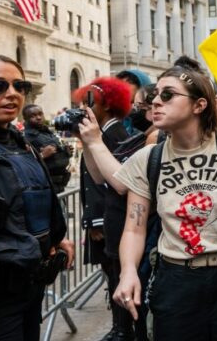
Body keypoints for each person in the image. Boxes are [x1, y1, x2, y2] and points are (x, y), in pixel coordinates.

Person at [113, 65, 217, 340]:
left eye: (168, 95)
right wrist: (128, 272)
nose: (155, 101)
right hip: (175, 280)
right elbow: (134, 227)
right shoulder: (148, 158)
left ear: (199, 105)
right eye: (155, 94)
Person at [0, 54, 75, 340]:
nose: (12, 94)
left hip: (31, 286)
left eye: (19, 86)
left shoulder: (23, 144)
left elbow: (33, 199)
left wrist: (55, 238)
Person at [72, 77, 132, 340]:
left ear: (106, 104)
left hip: (110, 220)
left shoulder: (114, 135)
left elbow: (109, 184)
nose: (85, 107)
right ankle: (120, 326)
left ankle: (122, 328)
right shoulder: (102, 134)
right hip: (104, 220)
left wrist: (96, 220)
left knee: (117, 273)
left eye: (90, 101)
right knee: (112, 273)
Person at [22, 104, 72, 193]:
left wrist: (66, 151)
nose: (38, 117)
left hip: (59, 184)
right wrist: (42, 155)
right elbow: (23, 164)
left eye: (40, 114)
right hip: (43, 186)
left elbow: (57, 151)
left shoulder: (48, 132)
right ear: (25, 119)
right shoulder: (25, 137)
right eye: (33, 116)